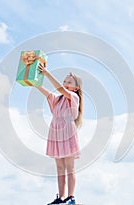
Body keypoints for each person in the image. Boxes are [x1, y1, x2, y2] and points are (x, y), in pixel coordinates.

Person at [35, 63, 83, 205]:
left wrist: (47, 74)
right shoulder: (58, 99)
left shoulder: (73, 96)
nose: (66, 84)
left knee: (69, 166)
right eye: (65, 81)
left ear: (76, 88)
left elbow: (60, 89)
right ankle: (61, 197)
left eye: (69, 82)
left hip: (67, 132)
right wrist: (32, 80)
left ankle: (71, 197)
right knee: (60, 167)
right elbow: (46, 92)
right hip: (55, 132)